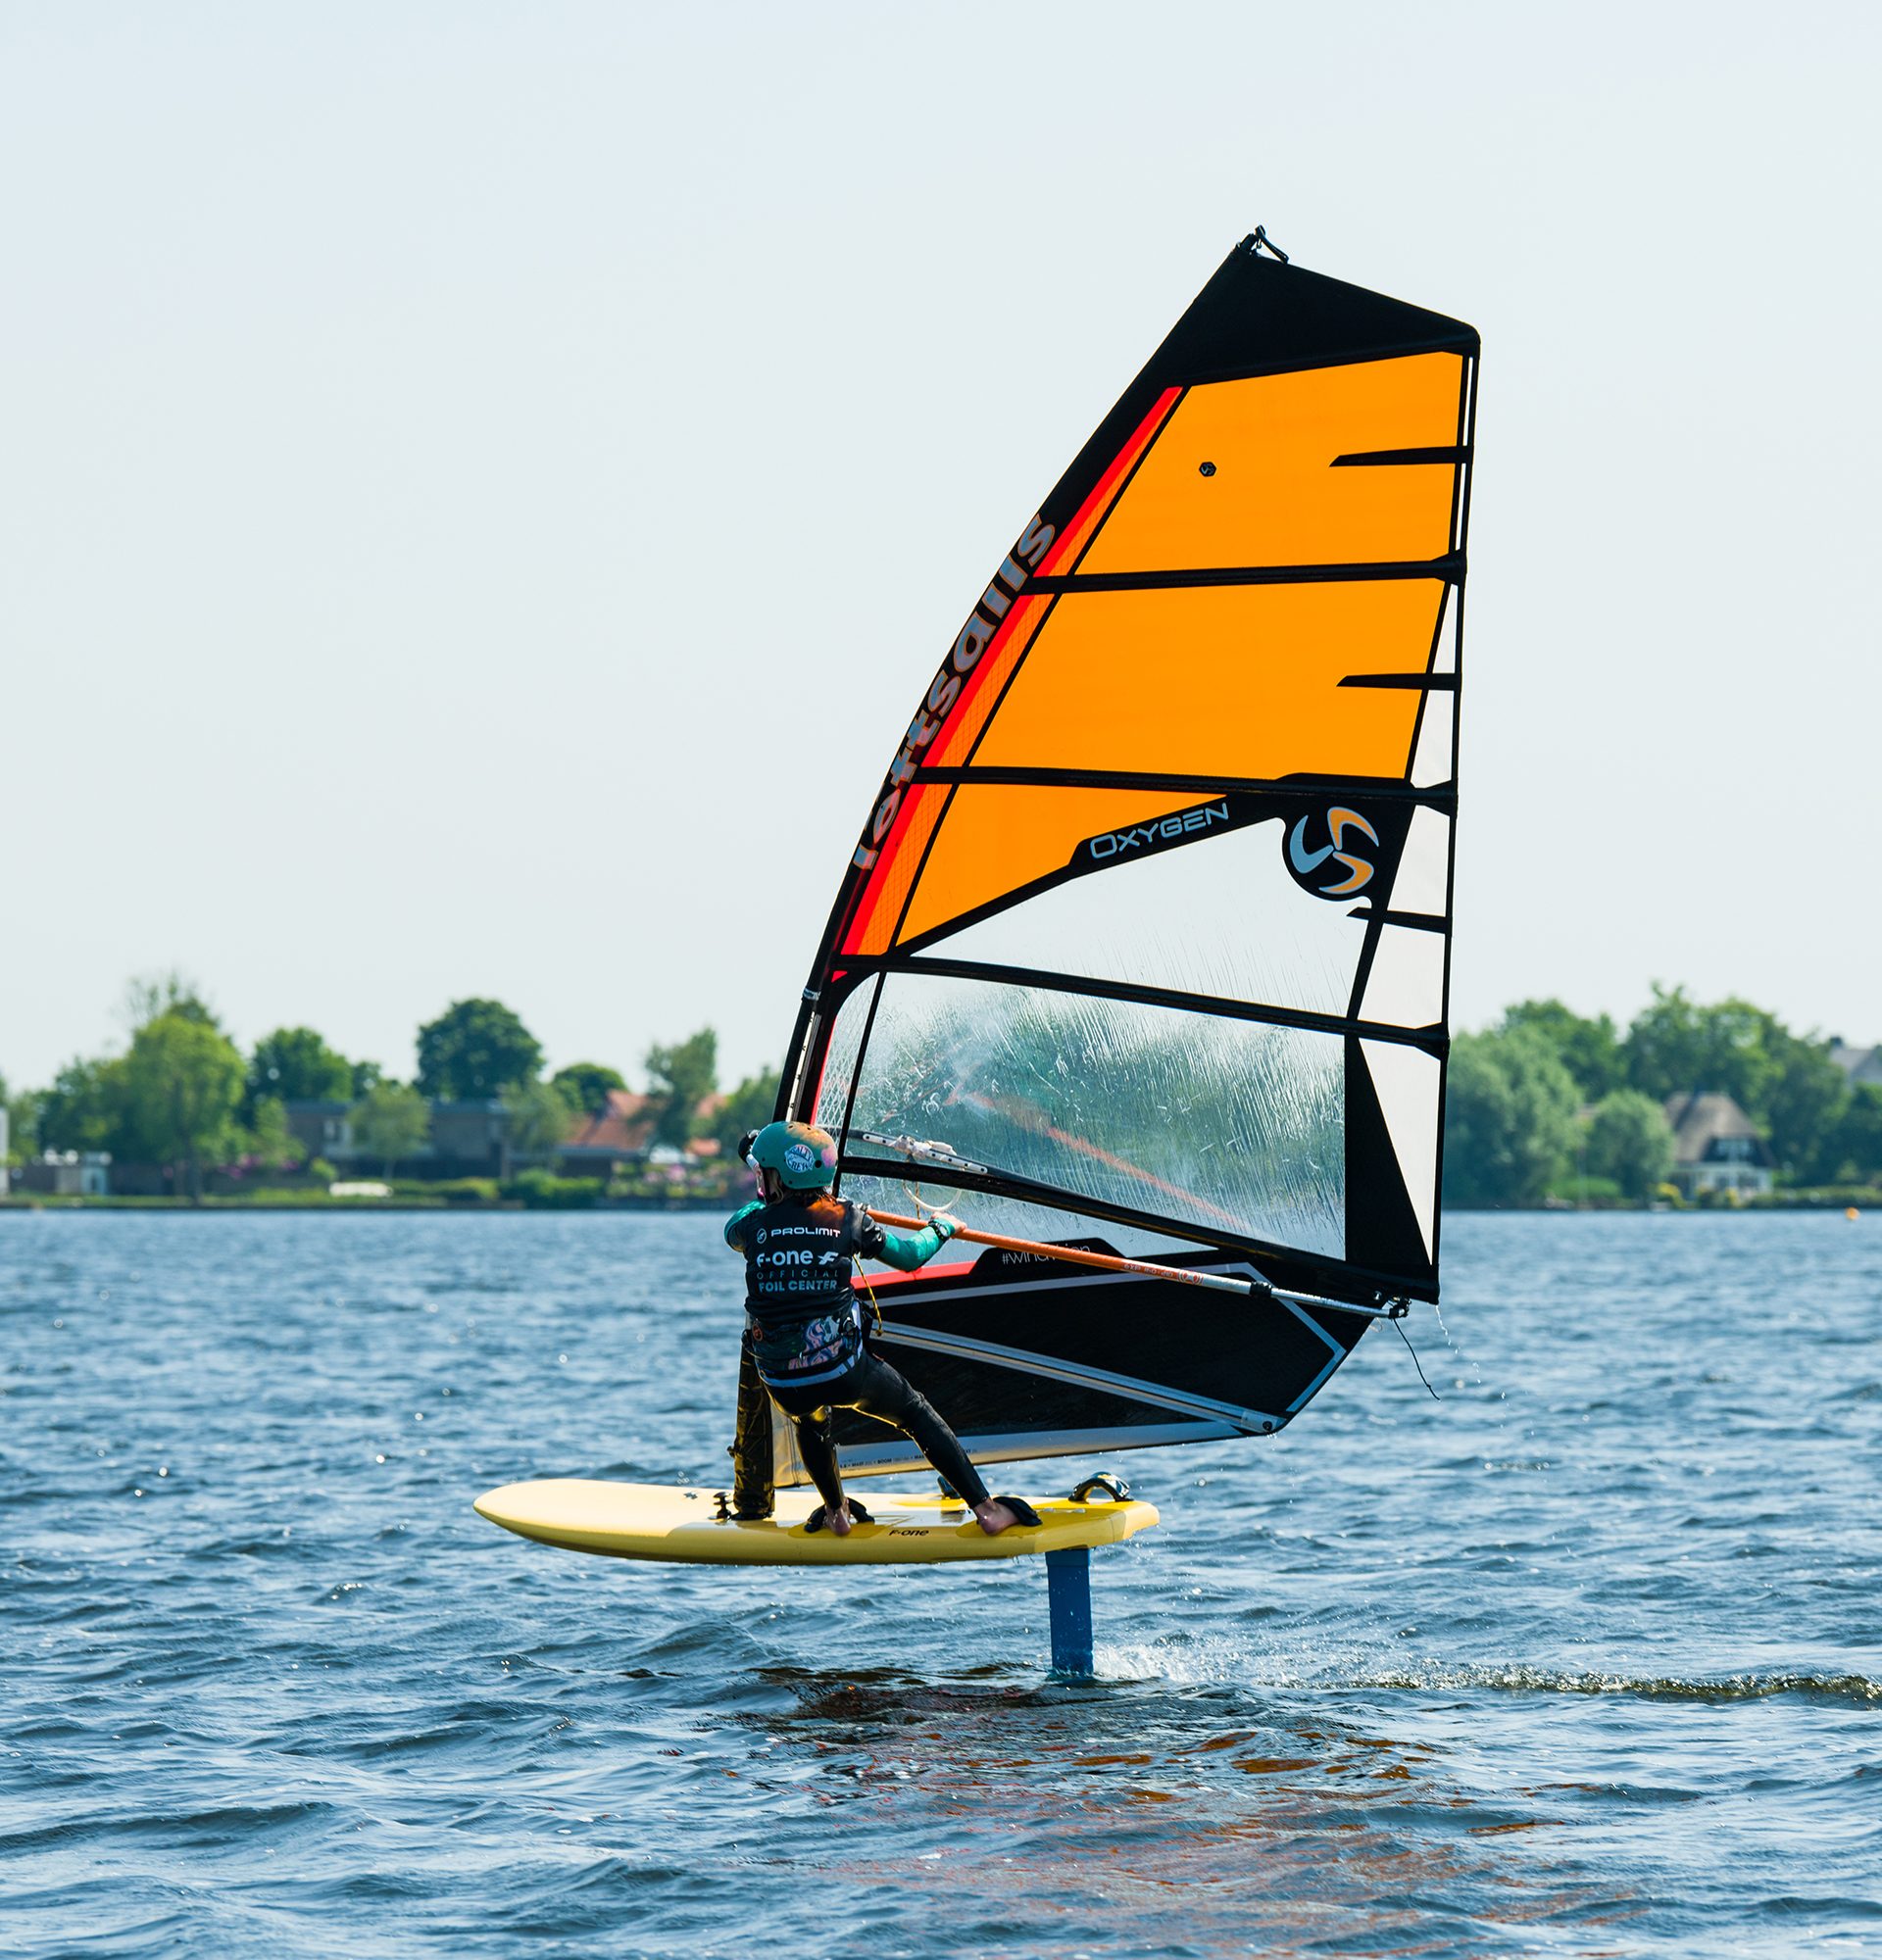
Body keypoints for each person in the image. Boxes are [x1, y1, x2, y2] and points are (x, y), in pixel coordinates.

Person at [723, 1119, 1036, 1538]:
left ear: (779, 1175)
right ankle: (987, 1509)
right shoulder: (847, 1218)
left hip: (781, 1381)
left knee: (810, 1422)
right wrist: (942, 1228)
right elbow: (909, 1257)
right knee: (914, 1412)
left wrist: (760, 1171)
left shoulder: (750, 1226)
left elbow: (746, 1219)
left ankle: (837, 1513)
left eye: (763, 1171)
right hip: (843, 1372)